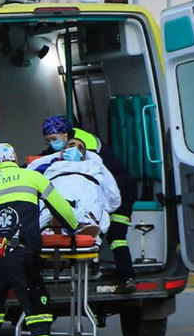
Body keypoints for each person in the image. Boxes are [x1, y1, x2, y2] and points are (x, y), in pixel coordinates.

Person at [0, 143, 78, 336]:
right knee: (38, 314)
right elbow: (63, 211)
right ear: (15, 157)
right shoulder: (31, 177)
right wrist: (74, 229)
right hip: (21, 256)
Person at [40, 115, 137, 295]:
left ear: (65, 134)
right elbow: (47, 157)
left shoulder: (84, 147)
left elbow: (85, 166)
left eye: (54, 139)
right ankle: (118, 272)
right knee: (102, 227)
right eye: (48, 141)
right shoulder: (68, 144)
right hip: (107, 190)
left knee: (116, 236)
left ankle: (124, 276)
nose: (52, 144)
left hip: (119, 190)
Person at [28, 137, 121, 239]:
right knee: (56, 198)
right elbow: (31, 175)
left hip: (85, 185)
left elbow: (112, 191)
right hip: (58, 184)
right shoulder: (52, 166)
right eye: (72, 145)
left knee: (87, 199)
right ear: (63, 151)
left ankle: (76, 224)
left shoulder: (93, 165)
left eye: (80, 148)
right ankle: (58, 224)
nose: (76, 149)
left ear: (84, 156)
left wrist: (105, 203)